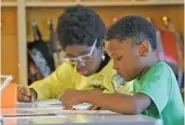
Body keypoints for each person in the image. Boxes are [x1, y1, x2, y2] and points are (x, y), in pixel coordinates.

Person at [60, 15, 184, 125]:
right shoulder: (140, 79)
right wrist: (107, 102)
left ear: (143, 49)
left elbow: (134, 105)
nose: (114, 66)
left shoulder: (161, 72)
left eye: (118, 58)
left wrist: (85, 95)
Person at [17, 5, 133, 103]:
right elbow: (49, 85)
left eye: (86, 56)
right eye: (72, 58)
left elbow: (128, 98)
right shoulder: (70, 68)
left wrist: (87, 95)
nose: (79, 64)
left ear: (102, 45)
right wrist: (32, 92)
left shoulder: (120, 66)